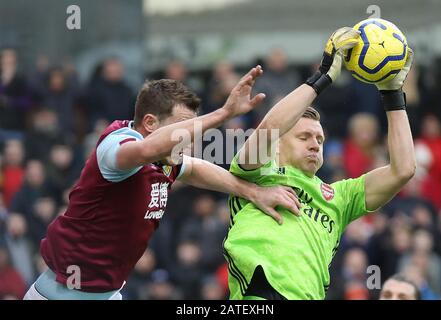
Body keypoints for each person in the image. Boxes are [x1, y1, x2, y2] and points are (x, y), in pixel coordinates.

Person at [23, 67, 301, 300]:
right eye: (184, 126)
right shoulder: (116, 146)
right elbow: (144, 152)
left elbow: (193, 169)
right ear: (150, 122)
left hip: (108, 294)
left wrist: (253, 191)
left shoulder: (166, 157)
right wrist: (223, 114)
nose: (191, 137)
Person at [223, 27, 416, 300]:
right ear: (278, 145)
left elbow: (403, 170)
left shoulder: (339, 198)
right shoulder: (256, 174)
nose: (315, 143)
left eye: (320, 139)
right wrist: (323, 77)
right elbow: (271, 126)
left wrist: (392, 92)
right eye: (304, 136)